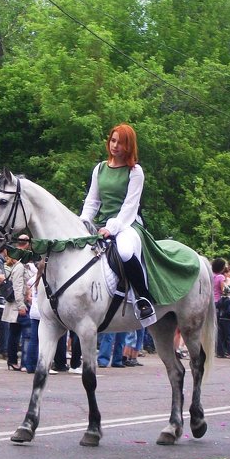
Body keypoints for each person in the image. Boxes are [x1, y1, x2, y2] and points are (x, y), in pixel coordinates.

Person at [79, 124, 158, 327]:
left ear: (129, 146)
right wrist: (82, 223)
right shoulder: (100, 168)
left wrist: (111, 228)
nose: (115, 146)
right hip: (102, 224)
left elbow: (129, 207)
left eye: (120, 143)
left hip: (128, 225)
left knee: (123, 252)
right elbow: (93, 201)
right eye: (113, 141)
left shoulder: (135, 171)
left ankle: (143, 298)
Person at [0, 247, 28, 370]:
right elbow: (18, 287)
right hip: (16, 306)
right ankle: (12, 360)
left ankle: (12, 360)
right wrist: (21, 305)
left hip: (17, 304)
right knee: (15, 334)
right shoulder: (20, 267)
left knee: (15, 333)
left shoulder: (20, 266)